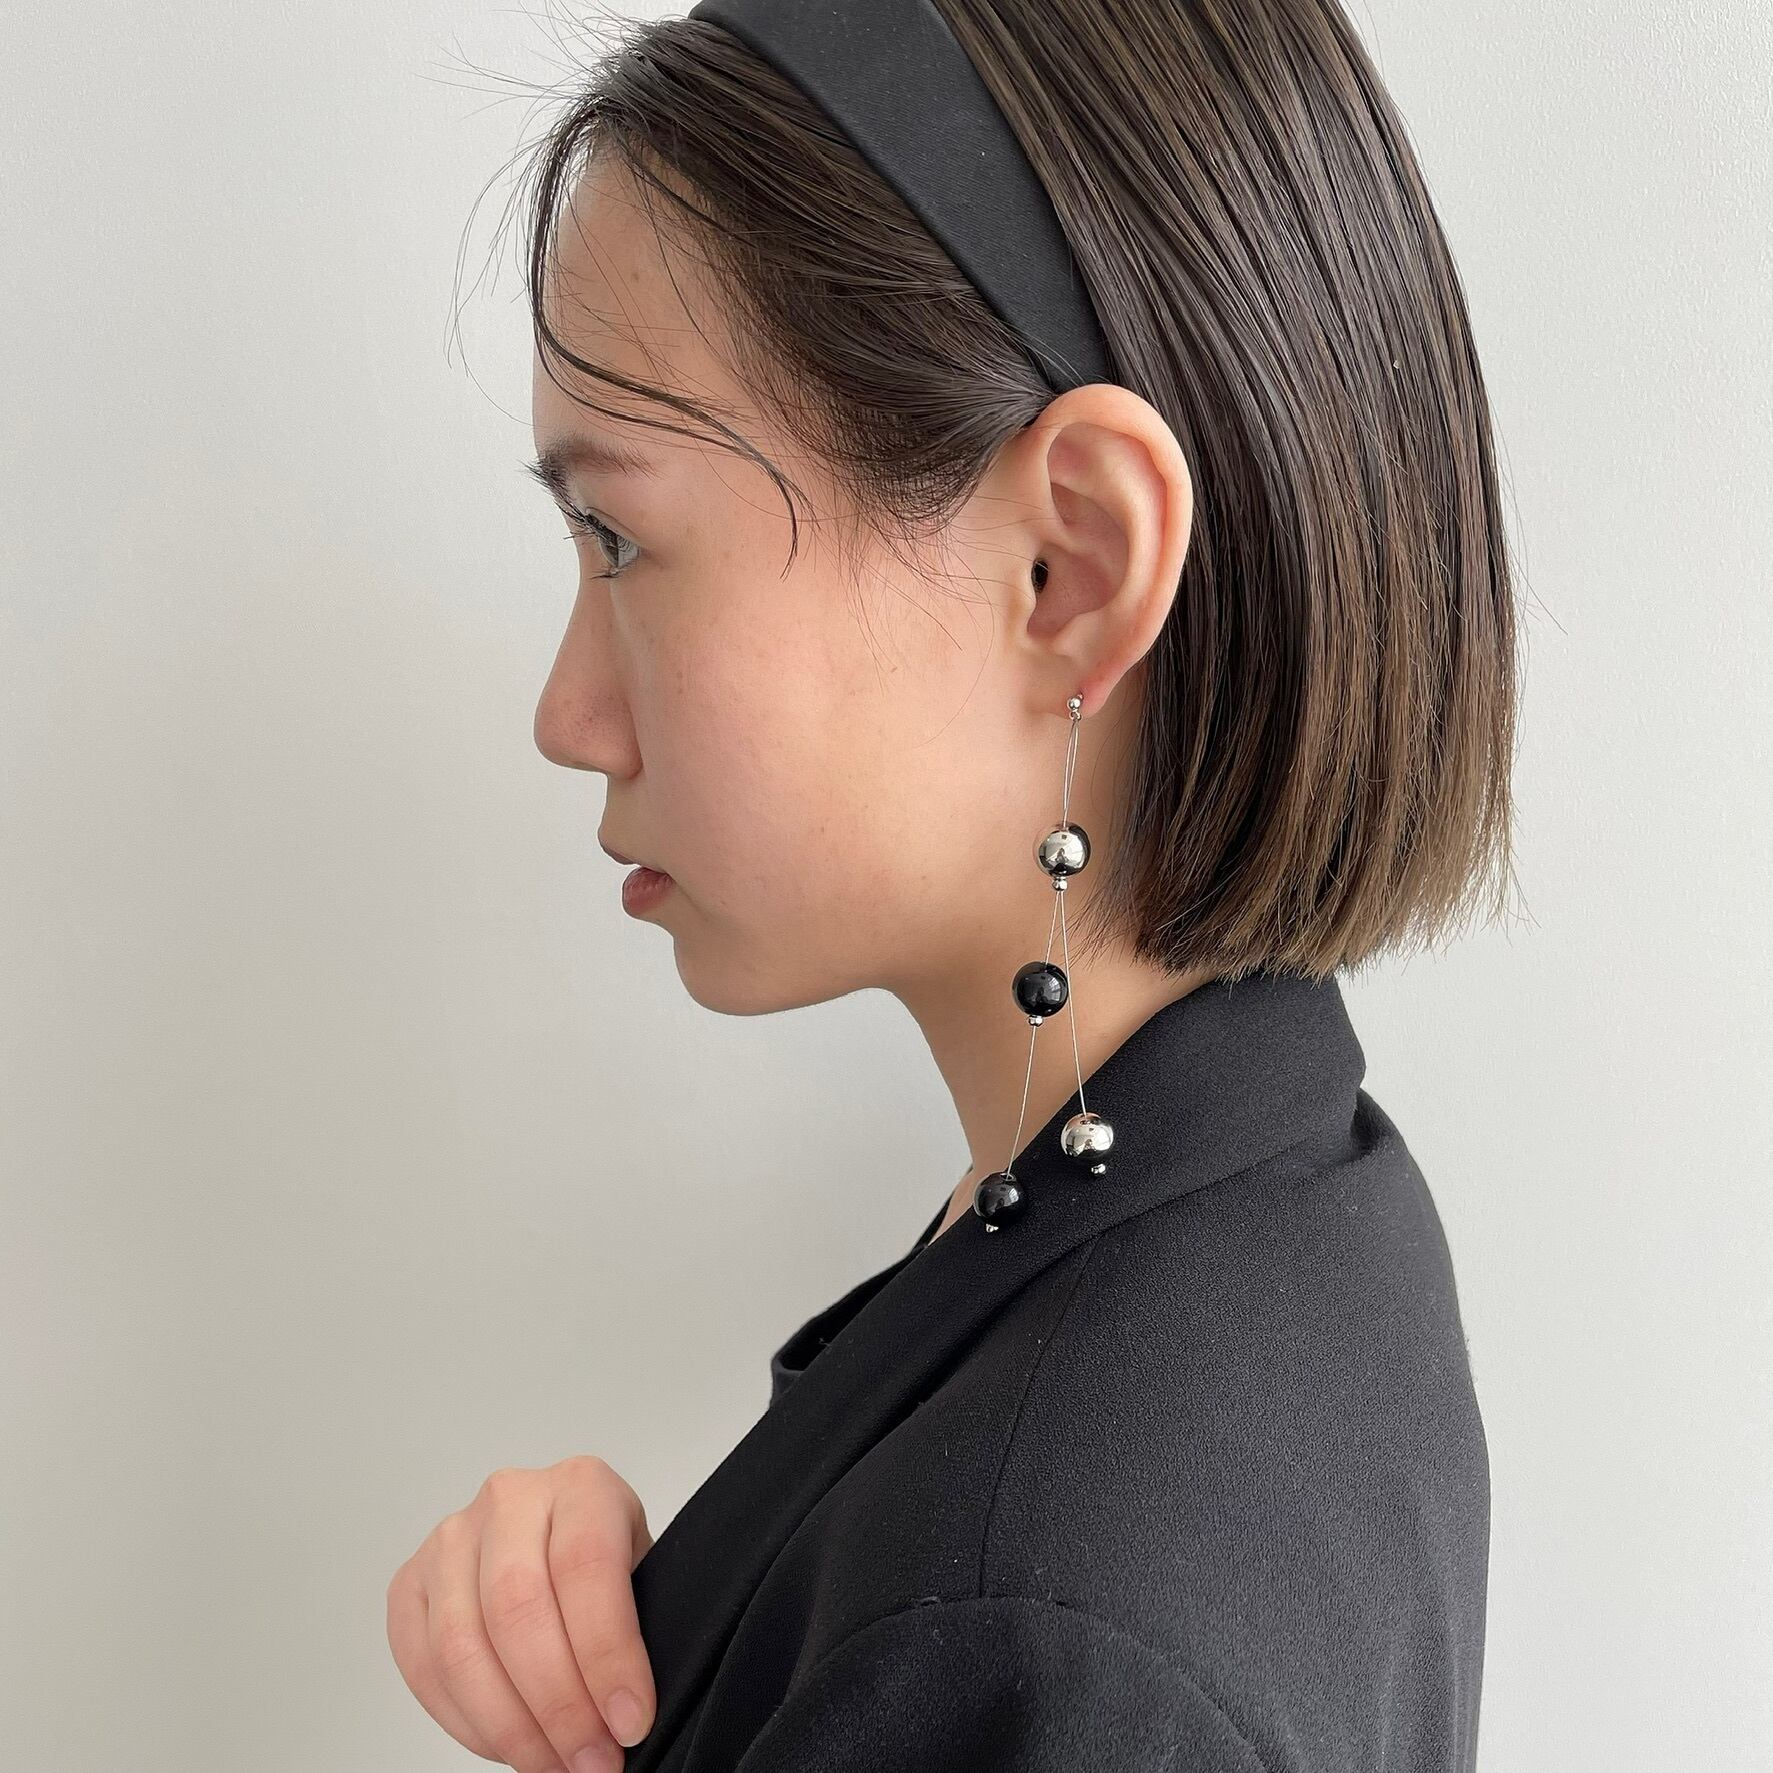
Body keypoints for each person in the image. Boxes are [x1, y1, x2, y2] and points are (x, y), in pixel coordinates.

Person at [387, 0, 1516, 1766]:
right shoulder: (1278, 1189)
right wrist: (701, 1639)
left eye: (621, 539)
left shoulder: (1040, 1638)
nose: (566, 714)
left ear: (1073, 564)